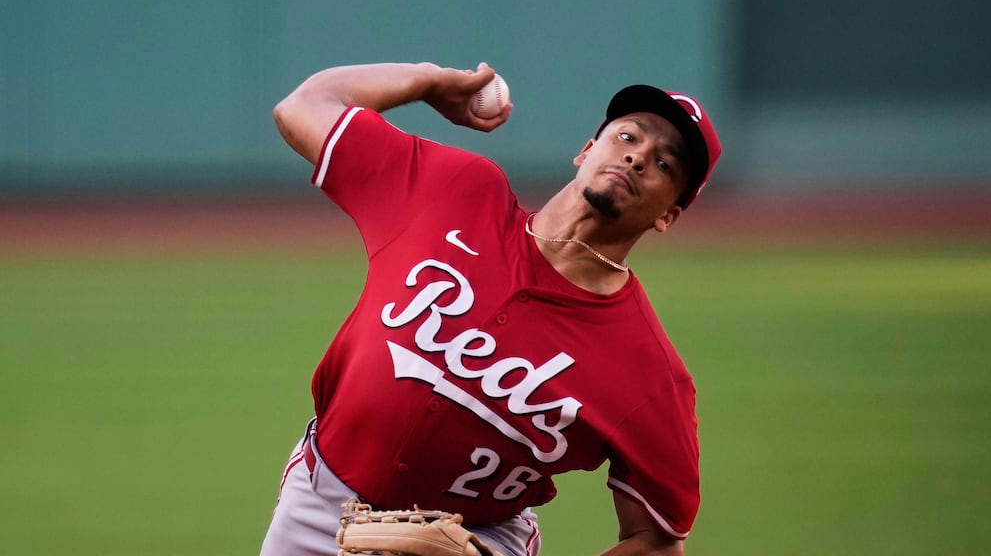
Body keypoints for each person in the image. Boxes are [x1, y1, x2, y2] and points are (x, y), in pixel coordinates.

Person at [261, 61, 722, 556]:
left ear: (668, 215)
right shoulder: (454, 191)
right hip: (318, 513)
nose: (637, 158)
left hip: (479, 541)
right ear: (586, 150)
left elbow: (657, 539)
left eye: (664, 164)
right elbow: (303, 107)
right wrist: (428, 81)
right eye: (628, 137)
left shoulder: (649, 372)